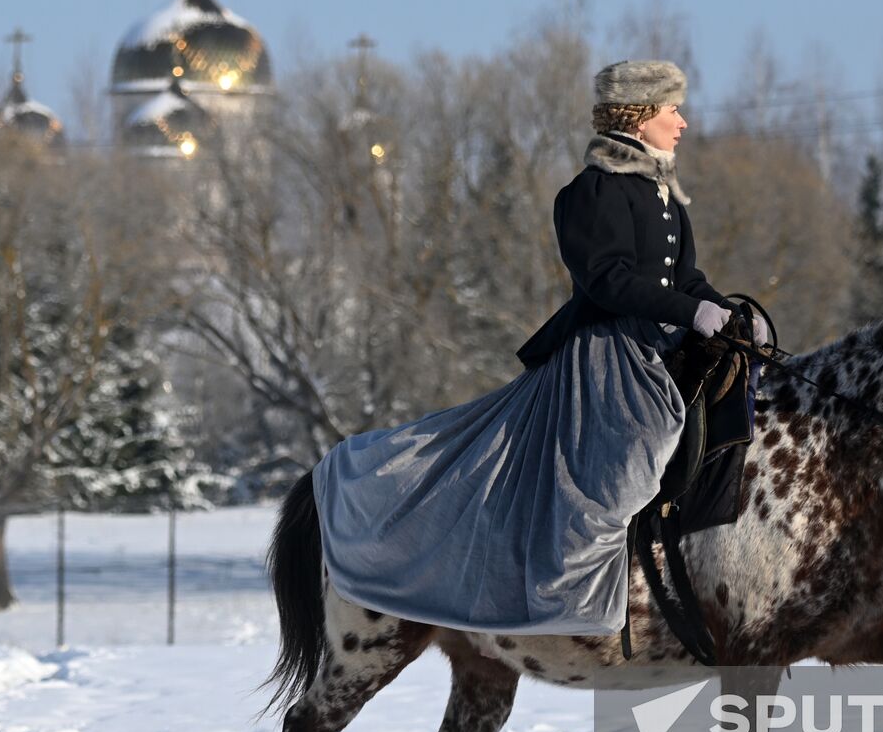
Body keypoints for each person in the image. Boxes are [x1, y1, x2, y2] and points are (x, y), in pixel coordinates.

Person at [313, 60, 762, 636]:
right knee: (628, 464)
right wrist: (690, 312)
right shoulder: (593, 191)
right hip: (610, 355)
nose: (684, 122)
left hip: (662, 342)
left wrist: (729, 312)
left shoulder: (666, 192)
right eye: (672, 109)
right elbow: (608, 279)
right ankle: (568, 592)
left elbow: (686, 277)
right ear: (640, 113)